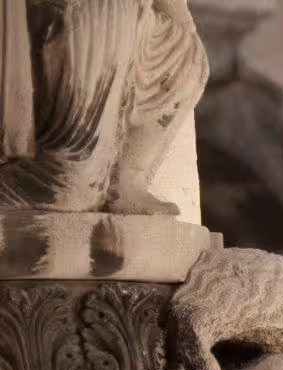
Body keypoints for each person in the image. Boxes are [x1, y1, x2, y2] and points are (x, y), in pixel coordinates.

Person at [0, 0, 207, 213]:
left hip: (129, 18)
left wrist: (182, 22)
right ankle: (64, 172)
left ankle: (126, 181)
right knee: (70, 189)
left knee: (187, 58)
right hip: (80, 15)